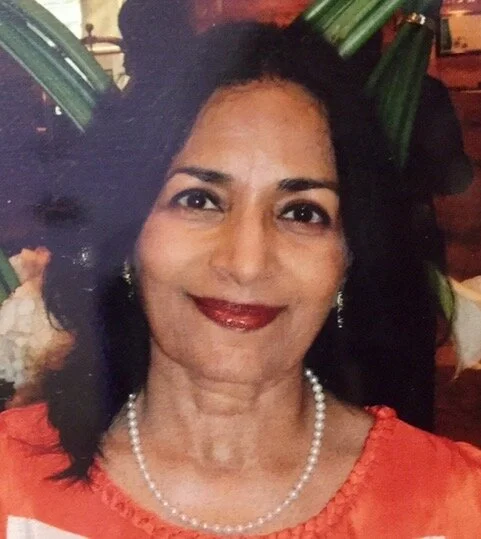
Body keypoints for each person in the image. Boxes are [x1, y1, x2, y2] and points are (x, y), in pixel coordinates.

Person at [1, 21, 481, 538]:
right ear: (127, 237)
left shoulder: (455, 504)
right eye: (199, 200)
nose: (247, 263)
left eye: (301, 212)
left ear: (348, 256)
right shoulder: (12, 479)